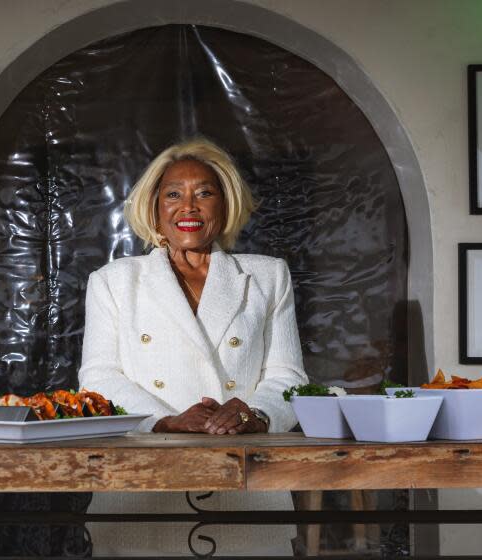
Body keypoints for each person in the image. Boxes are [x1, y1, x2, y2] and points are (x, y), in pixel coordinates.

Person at [78, 138, 308, 556]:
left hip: (246, 483)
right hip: (141, 487)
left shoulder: (267, 276)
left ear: (224, 205)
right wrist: (164, 422)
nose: (188, 206)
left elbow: (289, 379)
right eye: (173, 194)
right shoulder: (114, 281)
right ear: (154, 207)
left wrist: (254, 414)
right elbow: (98, 378)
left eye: (204, 193)